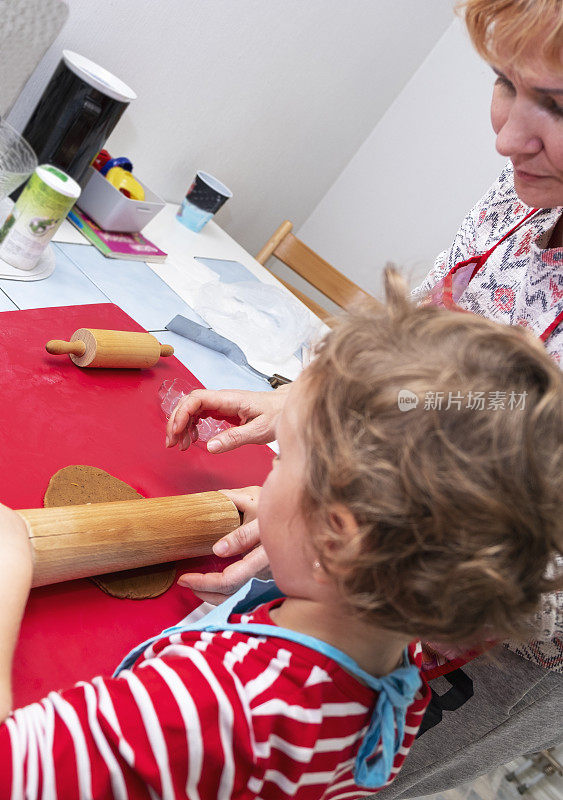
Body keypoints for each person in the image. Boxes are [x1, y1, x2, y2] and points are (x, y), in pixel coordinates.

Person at [166, 0, 563, 794]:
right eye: (503, 84)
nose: (506, 137)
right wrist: (312, 396)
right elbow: (414, 335)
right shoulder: (523, 186)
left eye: (555, 107)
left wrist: (345, 538)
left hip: (476, 637)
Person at [1, 275, 562, 799]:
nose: (264, 477)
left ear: (336, 536)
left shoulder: (212, 705)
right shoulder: (396, 665)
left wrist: (10, 563)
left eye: (284, 459)